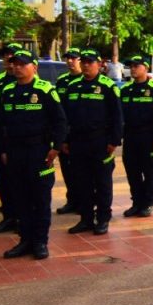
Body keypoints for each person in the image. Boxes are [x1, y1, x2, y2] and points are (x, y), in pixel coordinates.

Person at [0, 49, 68, 260]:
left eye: (22, 64)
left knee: (40, 199)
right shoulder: (8, 91)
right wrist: (3, 149)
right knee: (21, 199)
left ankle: (40, 242)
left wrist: (55, 148)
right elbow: (2, 125)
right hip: (15, 153)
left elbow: (60, 122)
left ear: (34, 67)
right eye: (15, 64)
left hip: (39, 152)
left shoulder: (45, 90)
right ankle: (25, 240)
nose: (17, 67)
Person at [61, 50, 124, 235]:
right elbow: (64, 117)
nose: (87, 65)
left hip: (100, 142)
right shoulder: (73, 86)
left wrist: (114, 141)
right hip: (78, 143)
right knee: (82, 182)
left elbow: (117, 116)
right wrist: (64, 140)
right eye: (84, 62)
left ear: (99, 64)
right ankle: (86, 219)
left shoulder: (107, 86)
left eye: (90, 62)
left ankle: (103, 218)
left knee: (103, 182)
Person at [119, 55, 153, 218]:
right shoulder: (125, 90)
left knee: (149, 171)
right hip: (130, 137)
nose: (132, 69)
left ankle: (148, 203)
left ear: (145, 68)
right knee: (132, 172)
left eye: (136, 66)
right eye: (131, 66)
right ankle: (137, 202)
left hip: (149, 137)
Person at [0, 43, 21, 233]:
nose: (9, 61)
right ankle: (9, 216)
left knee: (20, 180)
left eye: (13, 57)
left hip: (19, 141)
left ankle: (22, 218)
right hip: (0, 140)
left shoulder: (29, 83)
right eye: (6, 57)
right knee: (1, 178)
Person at [53, 47, 84, 214]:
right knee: (67, 169)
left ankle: (84, 202)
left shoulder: (87, 80)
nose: (70, 61)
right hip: (64, 133)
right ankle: (72, 200)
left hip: (81, 134)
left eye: (74, 58)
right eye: (68, 58)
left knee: (82, 170)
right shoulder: (62, 80)